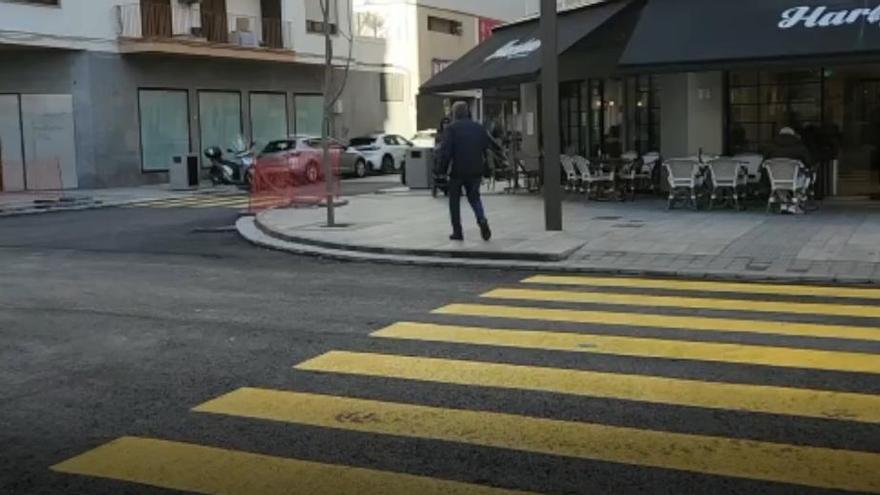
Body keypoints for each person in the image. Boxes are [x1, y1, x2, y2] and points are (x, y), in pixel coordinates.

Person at [439, 101, 493, 241]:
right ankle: (482, 221)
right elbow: (485, 148)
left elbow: (446, 152)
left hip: (457, 170)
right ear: (467, 112)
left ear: (455, 113)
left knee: (454, 201)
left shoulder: (451, 129)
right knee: (474, 197)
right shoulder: (478, 128)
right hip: (476, 169)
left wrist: (441, 170)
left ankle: (458, 231)